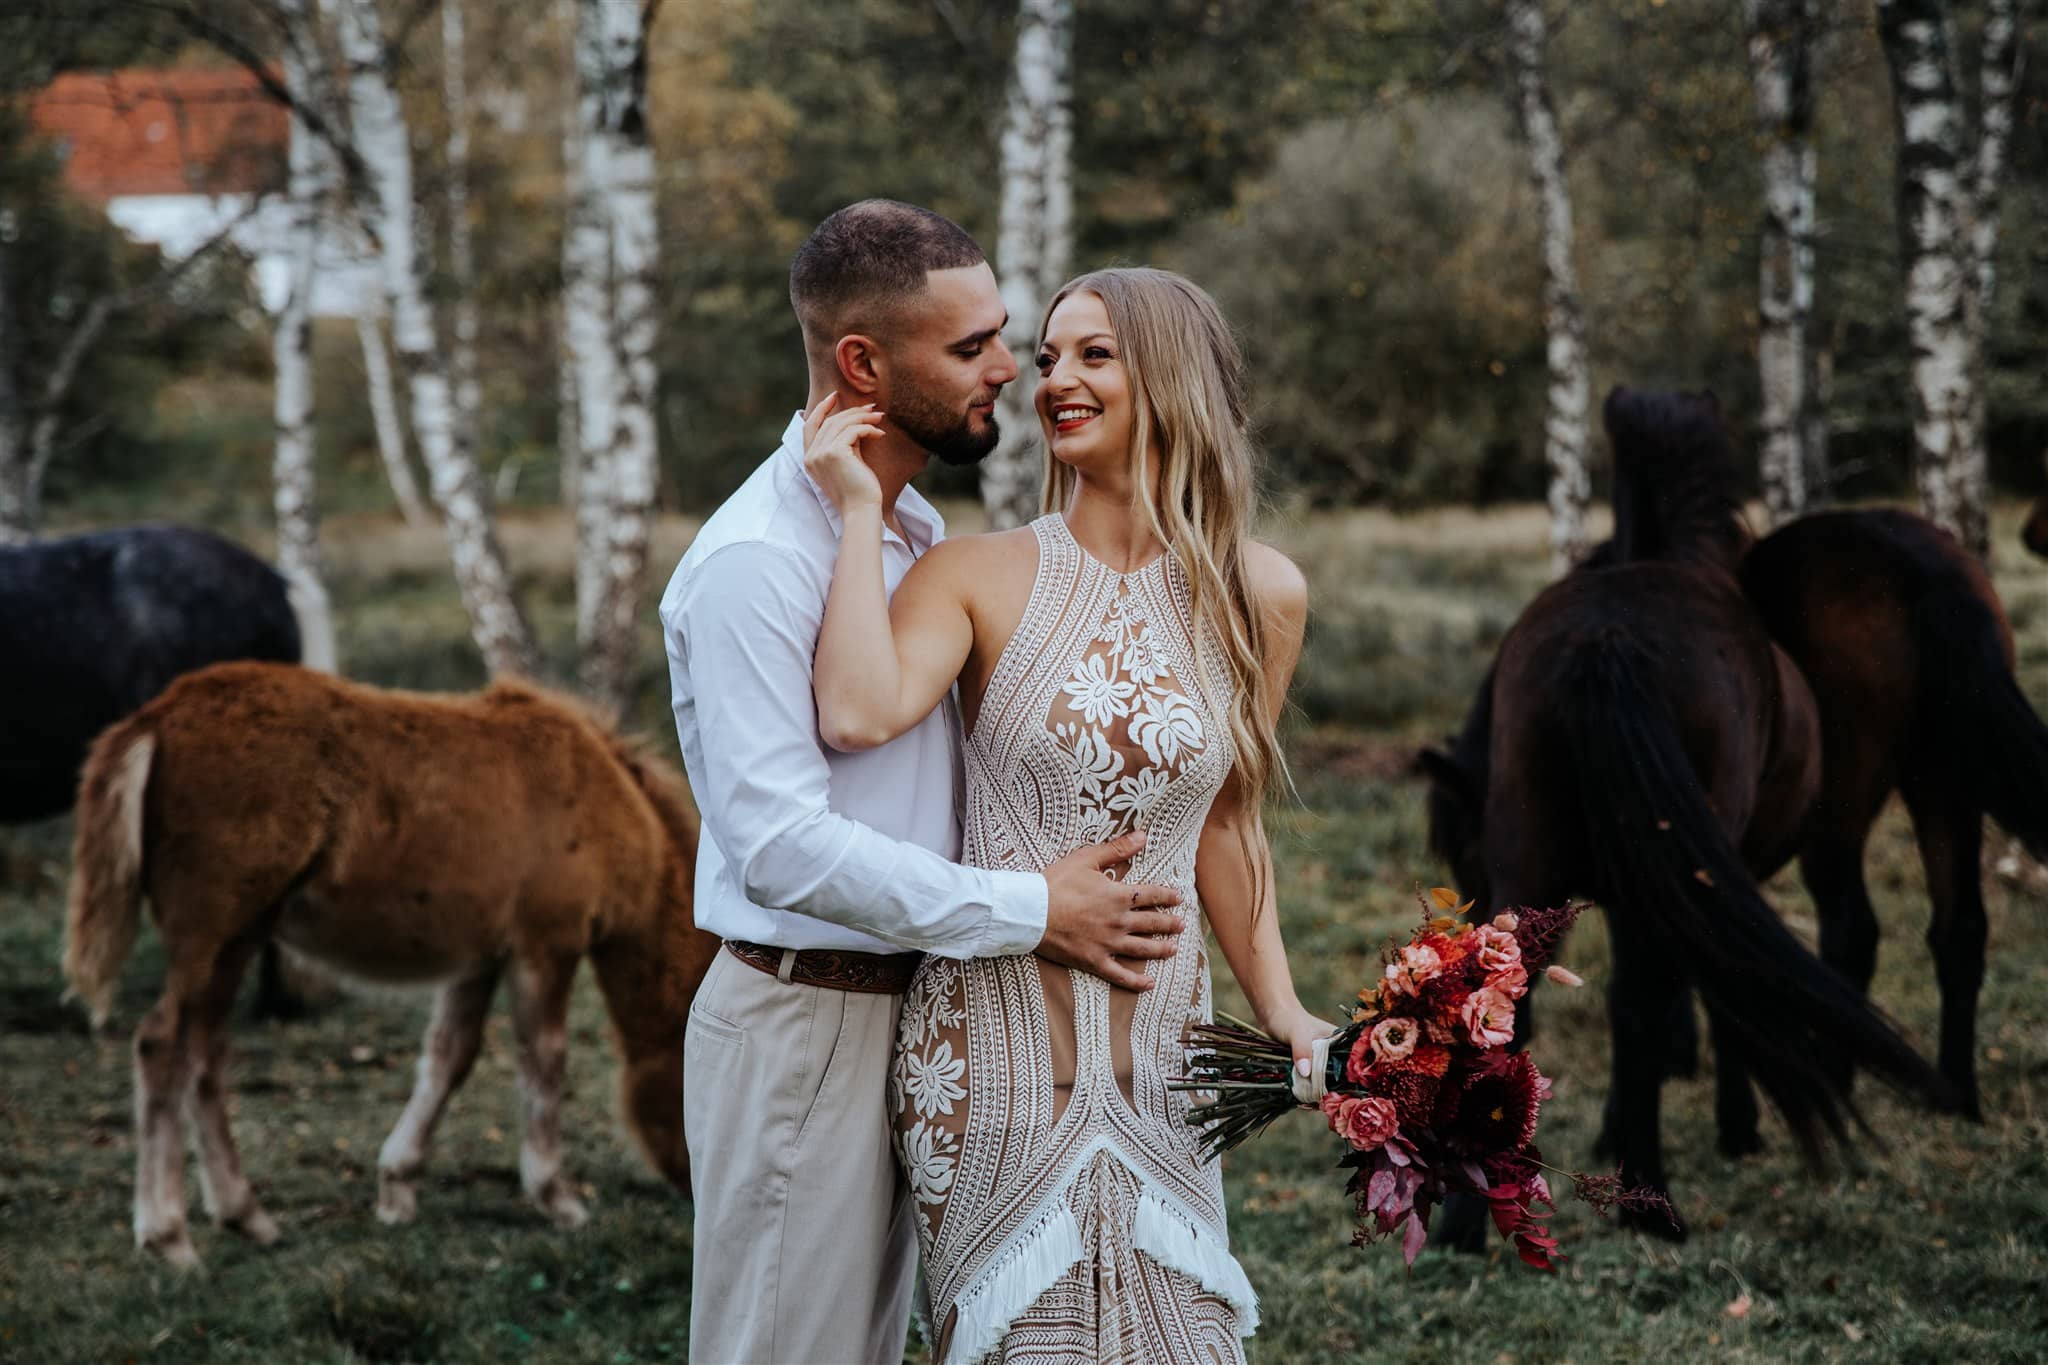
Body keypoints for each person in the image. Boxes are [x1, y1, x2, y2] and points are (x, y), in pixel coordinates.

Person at [660, 203, 1192, 1365]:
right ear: (863, 364)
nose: (1015, 369)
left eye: (1005, 335)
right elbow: (783, 849)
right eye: (971, 349)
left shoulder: (901, 530)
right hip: (805, 1020)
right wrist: (1032, 911)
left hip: (924, 1018)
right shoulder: (757, 562)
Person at [804, 266, 1330, 1364]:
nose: (1056, 380)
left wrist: (1279, 1007)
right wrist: (861, 513)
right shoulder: (971, 575)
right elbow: (855, 709)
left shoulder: (1260, 594)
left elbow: (1228, 829)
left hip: (1168, 1059)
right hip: (986, 1061)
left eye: (1093, 354)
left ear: (1171, 377)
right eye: (1049, 358)